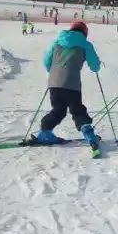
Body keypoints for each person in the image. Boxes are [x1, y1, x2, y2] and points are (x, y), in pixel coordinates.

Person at [35, 21, 101, 149]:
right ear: (85, 33)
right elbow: (95, 66)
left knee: (58, 110)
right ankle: (89, 134)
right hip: (72, 83)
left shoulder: (57, 42)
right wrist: (96, 67)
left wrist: (55, 71)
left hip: (54, 82)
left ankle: (44, 132)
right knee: (77, 110)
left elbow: (46, 61)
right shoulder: (85, 44)